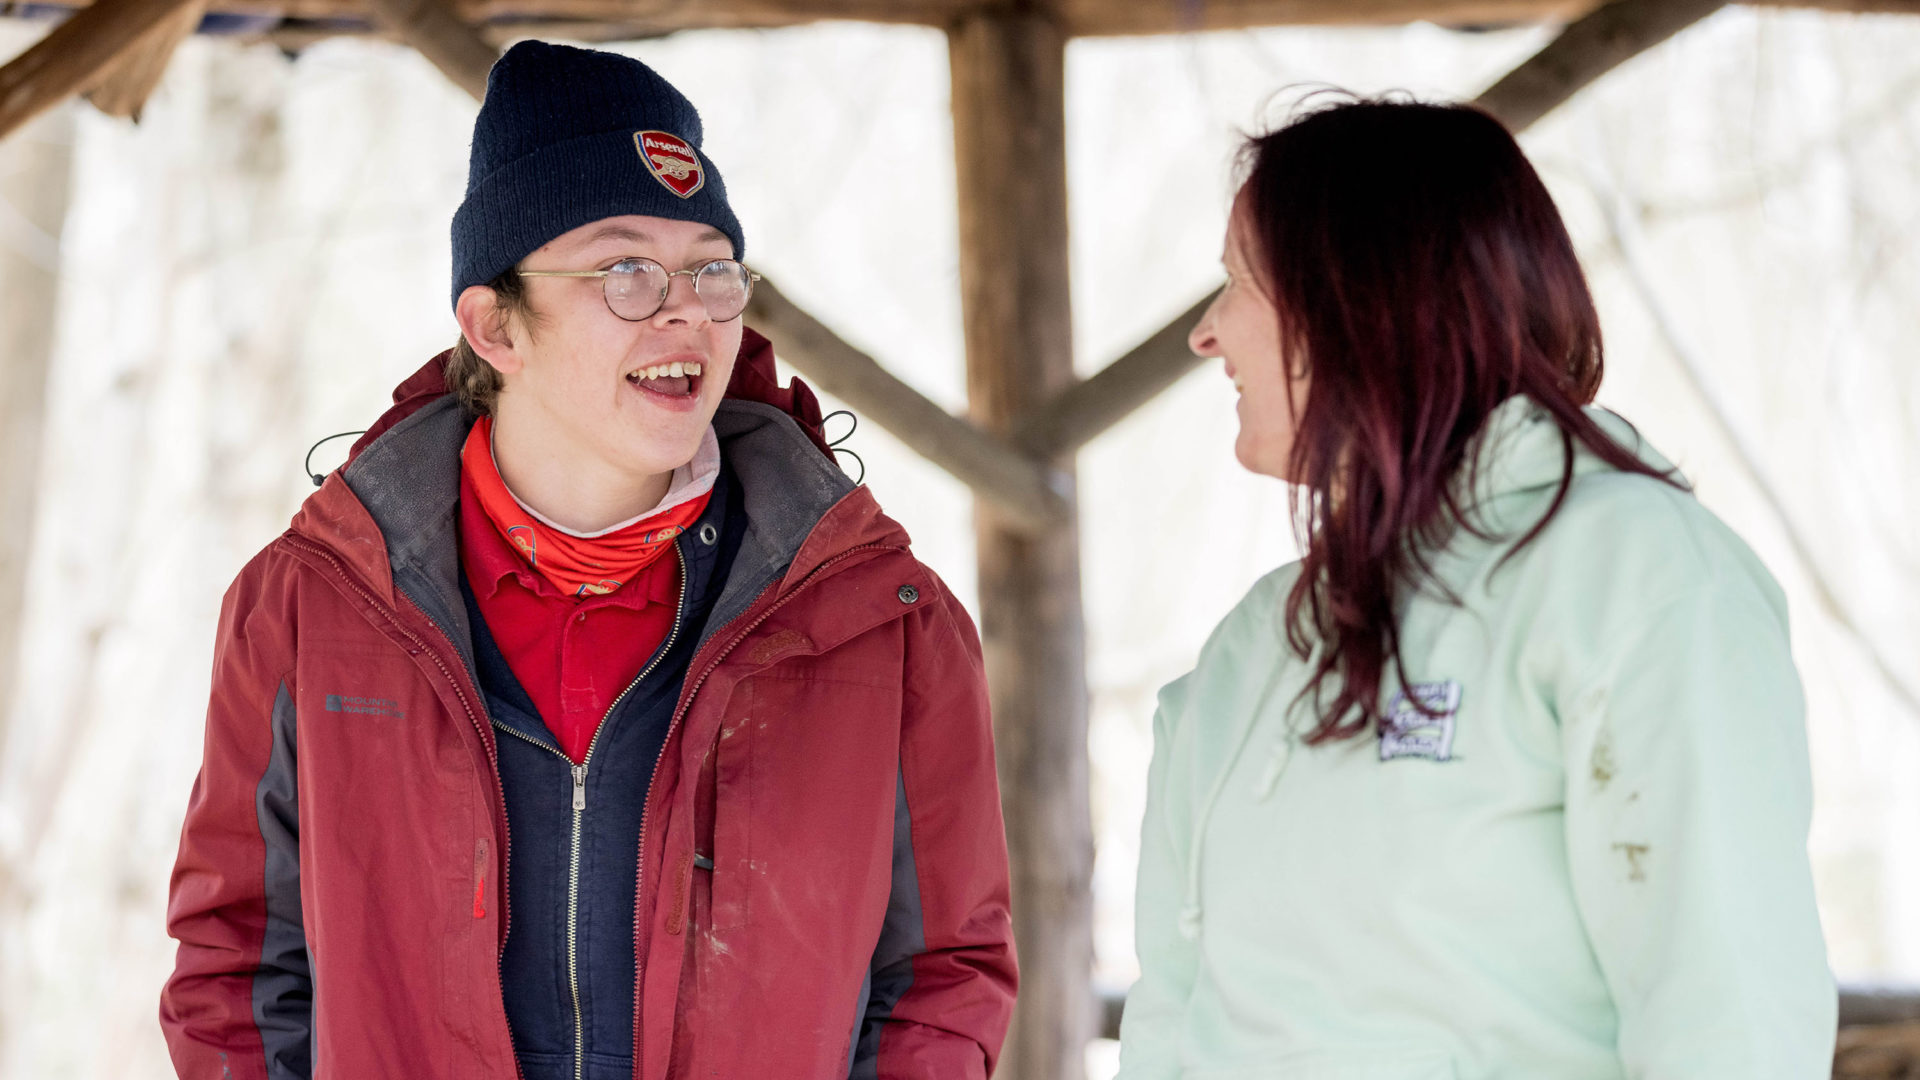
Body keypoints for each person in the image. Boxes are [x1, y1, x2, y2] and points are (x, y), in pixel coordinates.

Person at [160, 41, 1015, 1080]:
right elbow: (237, 966)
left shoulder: (886, 622)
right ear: (494, 325)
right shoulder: (310, 608)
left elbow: (944, 974)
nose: (686, 310)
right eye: (624, 270)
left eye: (711, 267)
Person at [1118, 99, 1835, 1079]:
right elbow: (1169, 1015)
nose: (1205, 334)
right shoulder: (1253, 648)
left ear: (1365, 300)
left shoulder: (1639, 579)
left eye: (1240, 282)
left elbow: (1728, 1016)